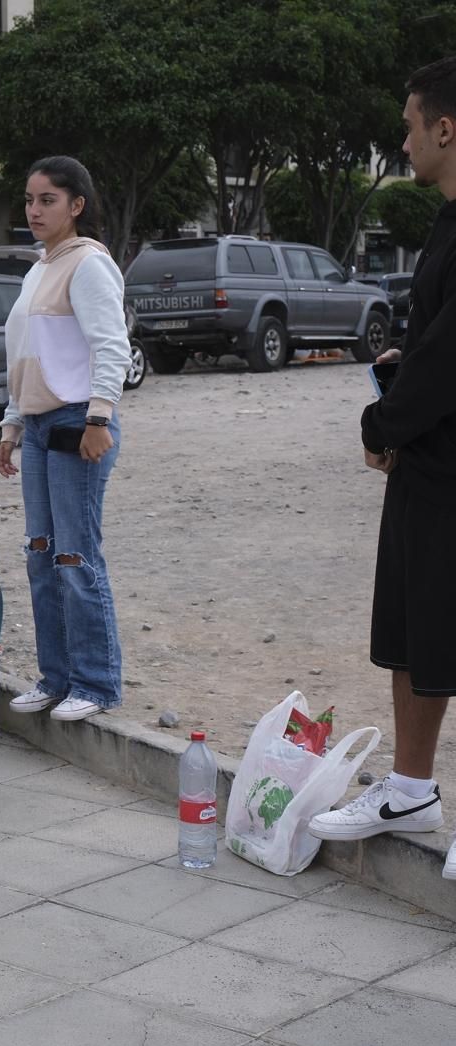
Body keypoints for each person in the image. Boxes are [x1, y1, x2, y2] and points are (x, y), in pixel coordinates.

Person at [310, 57, 456, 882]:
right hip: (428, 464)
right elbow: (431, 340)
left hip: (442, 453)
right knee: (413, 627)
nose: (400, 140)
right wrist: (398, 382)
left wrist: (382, 418)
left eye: (408, 124)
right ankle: (409, 787)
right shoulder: (442, 219)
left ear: (444, 127)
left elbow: (449, 359)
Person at [0, 155, 130, 723]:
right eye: (29, 200)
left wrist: (99, 419)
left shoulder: (88, 265)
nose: (34, 210)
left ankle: (95, 684)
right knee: (41, 556)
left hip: (78, 423)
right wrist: (12, 422)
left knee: (76, 558)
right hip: (39, 424)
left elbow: (111, 346)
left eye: (47, 200)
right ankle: (55, 678)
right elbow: (26, 355)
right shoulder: (37, 270)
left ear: (76, 205)